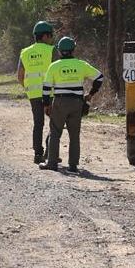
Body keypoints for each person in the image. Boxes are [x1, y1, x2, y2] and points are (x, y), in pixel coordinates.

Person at [40, 36, 104, 173]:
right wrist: (91, 94)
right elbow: (99, 77)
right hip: (77, 102)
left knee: (55, 132)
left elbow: (46, 88)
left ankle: (51, 163)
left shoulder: (54, 66)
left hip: (60, 101)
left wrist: (46, 105)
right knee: (74, 135)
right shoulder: (81, 64)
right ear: (73, 50)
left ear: (59, 51)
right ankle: (73, 166)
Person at [17, 21, 57, 163]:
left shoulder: (25, 53)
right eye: (51, 35)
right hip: (51, 94)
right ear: (45, 36)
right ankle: (50, 151)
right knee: (55, 122)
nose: (52, 38)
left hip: (33, 95)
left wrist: (28, 88)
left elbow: (20, 76)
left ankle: (37, 154)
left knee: (38, 123)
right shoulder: (51, 51)